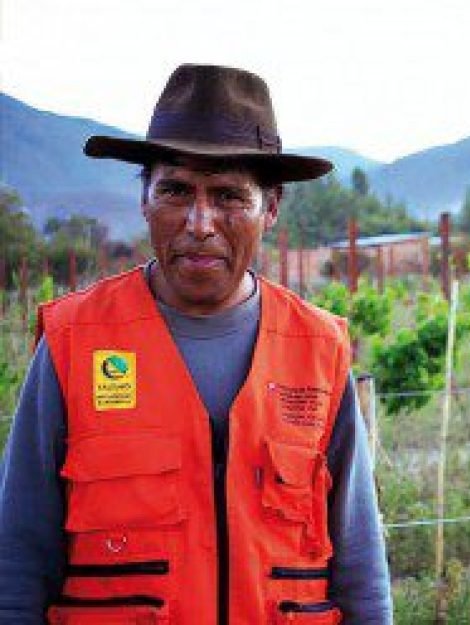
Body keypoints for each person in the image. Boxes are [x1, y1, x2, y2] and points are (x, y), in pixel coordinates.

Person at [0, 64, 392, 624]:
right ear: (144, 199)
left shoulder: (317, 348)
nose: (200, 222)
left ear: (271, 208)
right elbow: (16, 563)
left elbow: (360, 566)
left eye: (230, 196)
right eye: (176, 190)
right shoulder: (73, 344)